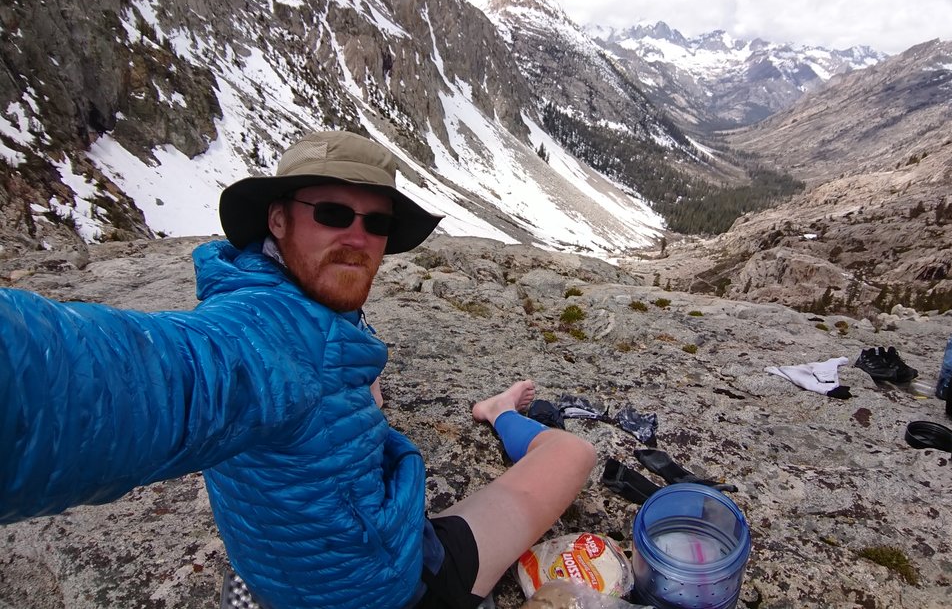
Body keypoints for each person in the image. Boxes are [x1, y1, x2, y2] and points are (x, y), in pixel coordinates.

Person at [0, 130, 597, 609]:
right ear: (278, 220)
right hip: (384, 586)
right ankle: (498, 413)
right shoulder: (258, 342)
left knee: (358, 387)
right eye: (334, 212)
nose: (358, 238)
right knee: (573, 456)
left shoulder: (251, 292)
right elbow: (126, 379)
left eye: (378, 223)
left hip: (274, 576)